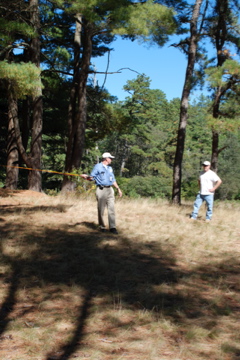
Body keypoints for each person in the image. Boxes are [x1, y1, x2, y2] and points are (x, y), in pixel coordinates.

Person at [81, 152, 122, 234]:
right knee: (101, 209)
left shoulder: (110, 168)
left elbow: (113, 180)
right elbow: (92, 178)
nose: (111, 160)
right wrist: (86, 177)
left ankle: (112, 227)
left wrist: (118, 188)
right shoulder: (98, 167)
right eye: (110, 158)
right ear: (106, 158)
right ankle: (102, 226)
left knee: (112, 209)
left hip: (110, 189)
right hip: (101, 189)